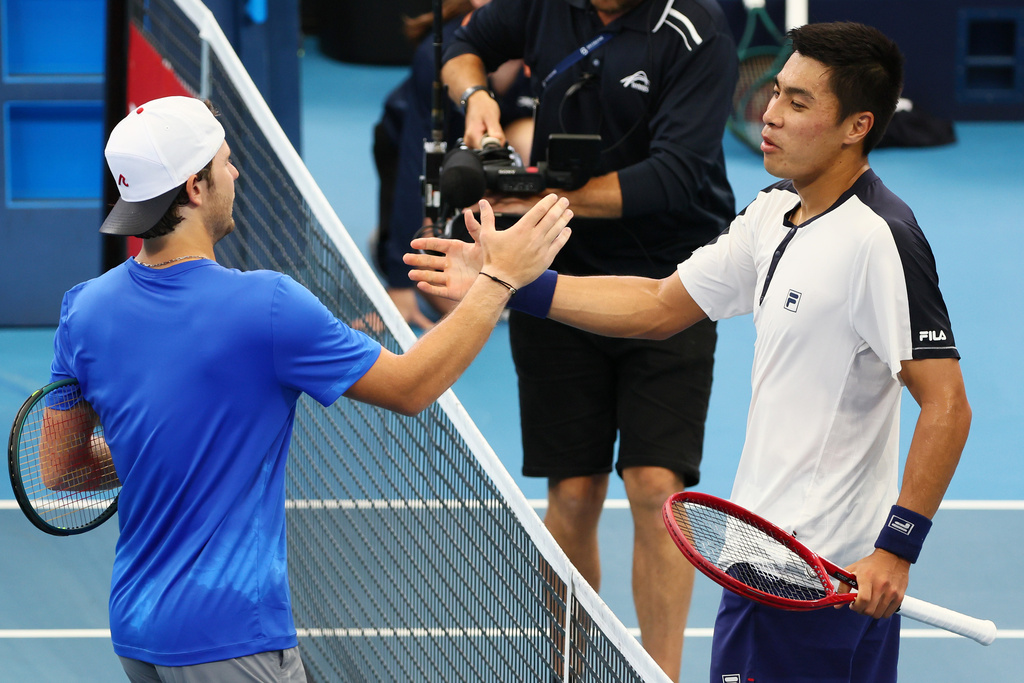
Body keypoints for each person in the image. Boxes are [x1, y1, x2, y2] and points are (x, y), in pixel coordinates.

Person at [408, 21, 972, 682]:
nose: (768, 114)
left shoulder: (881, 238)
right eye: (775, 92)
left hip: (823, 577)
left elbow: (948, 403)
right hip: (754, 560)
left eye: (797, 102)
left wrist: (896, 549)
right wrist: (512, 286)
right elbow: (656, 304)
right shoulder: (772, 214)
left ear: (856, 126)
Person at [43, 96, 571, 682]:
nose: (236, 172)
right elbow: (412, 386)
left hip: (139, 632)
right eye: (225, 161)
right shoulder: (268, 307)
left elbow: (61, 469)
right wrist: (500, 281)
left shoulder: (83, 310)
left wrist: (173, 437)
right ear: (194, 187)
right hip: (231, 635)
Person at [439, 0, 738, 677]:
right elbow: (463, 43)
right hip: (558, 273)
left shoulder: (698, 33)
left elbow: (673, 174)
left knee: (655, 486)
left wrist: (538, 199)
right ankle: (570, 668)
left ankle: (660, 673)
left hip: (670, 280)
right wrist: (477, 93)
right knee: (572, 492)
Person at [373, 0, 534, 330]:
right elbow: (414, 168)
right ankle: (387, 243)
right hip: (416, 148)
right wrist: (400, 285)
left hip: (497, 147)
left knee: (532, 138)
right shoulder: (436, 56)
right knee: (454, 302)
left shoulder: (552, 46)